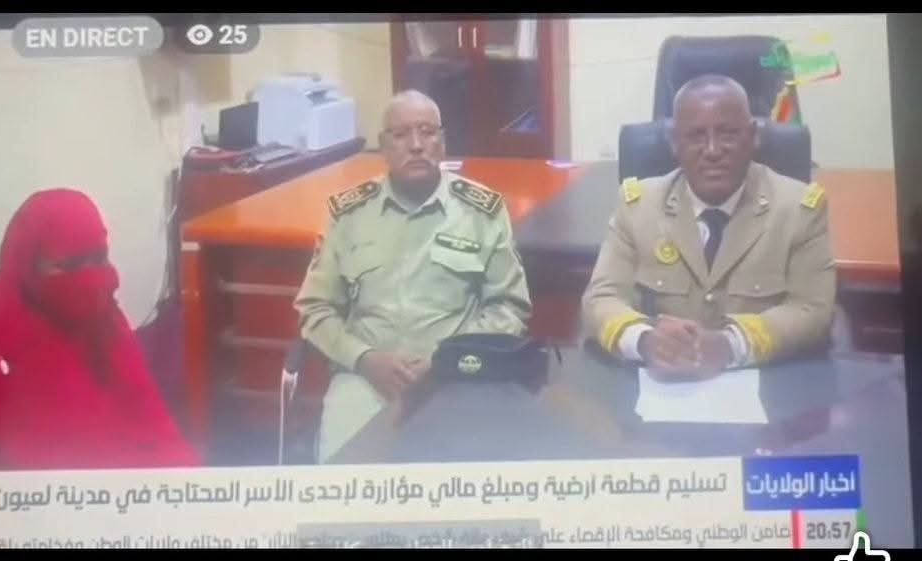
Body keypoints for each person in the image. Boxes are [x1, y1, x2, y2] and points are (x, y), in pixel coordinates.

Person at [294, 90, 532, 462]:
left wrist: (445, 361)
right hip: (365, 379)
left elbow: (509, 308)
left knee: (467, 479)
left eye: (427, 132)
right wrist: (366, 358)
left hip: (457, 375)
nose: (417, 145)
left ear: (443, 141)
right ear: (383, 146)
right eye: (401, 134)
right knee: (345, 479)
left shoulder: (481, 211)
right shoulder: (349, 215)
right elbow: (315, 309)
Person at [582, 74, 836, 374]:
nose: (713, 150)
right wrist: (645, 340)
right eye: (696, 136)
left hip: (761, 384)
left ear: (753, 136)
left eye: (728, 134)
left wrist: (730, 345)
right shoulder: (639, 207)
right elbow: (601, 298)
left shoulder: (797, 210)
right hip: (662, 383)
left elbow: (812, 309)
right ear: (674, 142)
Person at [0, 189, 198, 470]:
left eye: (99, 258)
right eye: (72, 264)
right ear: (28, 267)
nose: (93, 279)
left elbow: (151, 421)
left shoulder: (105, 321)